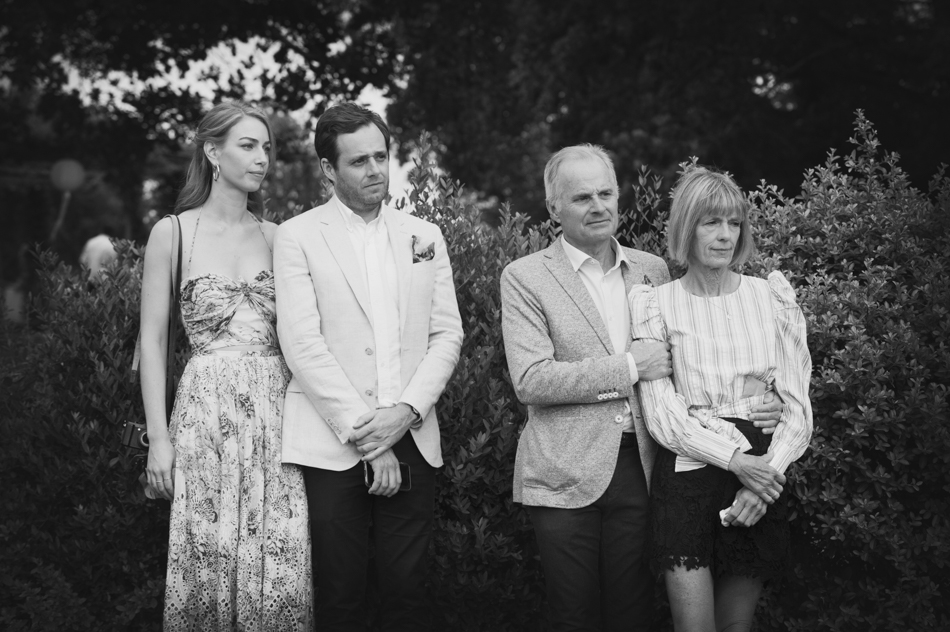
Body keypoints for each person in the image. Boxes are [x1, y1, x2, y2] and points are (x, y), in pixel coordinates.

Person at [500, 145, 785, 632]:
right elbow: (531, 378)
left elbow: (697, 362)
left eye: (606, 193)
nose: (598, 206)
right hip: (564, 471)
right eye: (582, 197)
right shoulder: (525, 277)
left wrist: (769, 398)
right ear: (553, 207)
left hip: (646, 467)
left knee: (632, 612)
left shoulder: (651, 269)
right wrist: (630, 366)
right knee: (574, 615)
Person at [274, 102, 463, 631]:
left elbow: (446, 334)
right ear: (328, 168)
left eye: (381, 157)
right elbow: (302, 344)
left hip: (413, 435)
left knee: (408, 595)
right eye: (359, 161)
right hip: (332, 443)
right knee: (340, 597)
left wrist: (406, 411)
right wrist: (373, 440)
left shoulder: (424, 235)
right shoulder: (297, 236)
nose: (375, 169)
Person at [139, 101, 311, 630]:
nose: (262, 158)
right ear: (213, 152)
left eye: (267, 148)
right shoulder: (173, 232)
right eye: (248, 145)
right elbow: (152, 341)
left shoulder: (278, 236)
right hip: (205, 416)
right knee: (207, 556)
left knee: (280, 562)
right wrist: (159, 438)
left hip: (277, 416)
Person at [627, 165, 813, 632]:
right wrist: (736, 461)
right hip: (688, 474)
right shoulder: (654, 303)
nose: (726, 235)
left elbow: (797, 409)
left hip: (761, 471)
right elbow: (662, 416)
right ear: (686, 228)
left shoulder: (771, 297)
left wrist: (763, 479)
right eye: (711, 222)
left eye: (734, 222)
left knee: (736, 627)